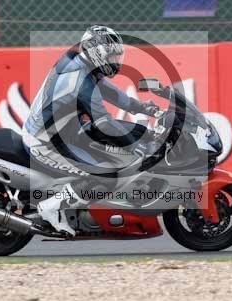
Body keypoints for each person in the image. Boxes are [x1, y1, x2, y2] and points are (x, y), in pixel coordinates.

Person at [23, 25, 159, 235]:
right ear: (95, 51)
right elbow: (104, 123)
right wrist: (134, 146)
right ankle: (51, 207)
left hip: (65, 132)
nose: (116, 61)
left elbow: (108, 91)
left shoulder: (81, 63)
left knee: (126, 138)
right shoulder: (81, 81)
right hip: (47, 143)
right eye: (111, 56)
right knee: (106, 175)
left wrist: (139, 107)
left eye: (117, 56)